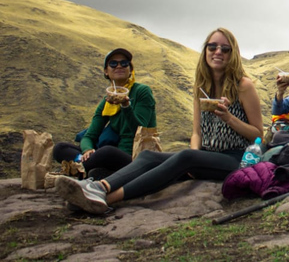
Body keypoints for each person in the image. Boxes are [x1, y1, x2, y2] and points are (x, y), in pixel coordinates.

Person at [56, 28, 264, 214]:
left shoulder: (243, 86)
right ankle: (100, 187)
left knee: (184, 157)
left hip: (237, 159)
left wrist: (228, 117)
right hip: (206, 155)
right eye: (212, 47)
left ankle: (107, 199)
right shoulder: (201, 86)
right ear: (205, 51)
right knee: (149, 156)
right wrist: (196, 154)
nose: (218, 52)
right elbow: (196, 133)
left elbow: (258, 134)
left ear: (232, 54)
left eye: (225, 49)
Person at [53, 48, 156, 180]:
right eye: (113, 63)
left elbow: (140, 130)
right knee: (60, 148)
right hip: (105, 156)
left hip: (135, 156)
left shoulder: (142, 91)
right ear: (106, 72)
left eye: (124, 63)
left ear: (130, 69)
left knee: (106, 152)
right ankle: (87, 165)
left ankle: (81, 167)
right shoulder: (107, 101)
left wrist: (125, 106)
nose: (119, 66)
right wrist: (87, 150)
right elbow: (89, 136)